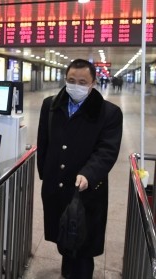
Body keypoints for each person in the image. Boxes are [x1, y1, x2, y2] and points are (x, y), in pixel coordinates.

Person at [37, 59, 123, 279]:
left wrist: (89, 173)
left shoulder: (109, 113)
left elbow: (107, 151)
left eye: (82, 81)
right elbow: (43, 142)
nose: (76, 85)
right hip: (57, 186)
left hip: (86, 192)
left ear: (93, 82)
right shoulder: (51, 105)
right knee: (65, 240)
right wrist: (45, 174)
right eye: (71, 80)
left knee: (83, 247)